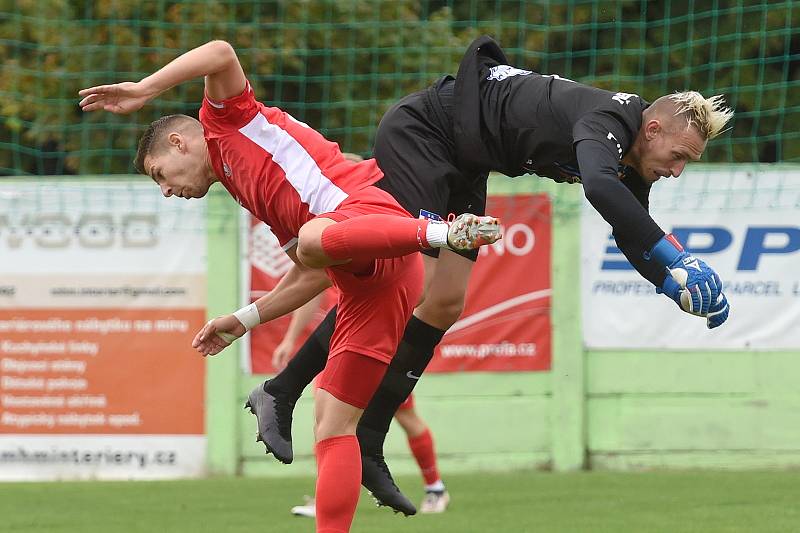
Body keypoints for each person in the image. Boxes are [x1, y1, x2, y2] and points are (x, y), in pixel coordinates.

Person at [248, 35, 734, 515]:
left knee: (444, 302)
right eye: (679, 157)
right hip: (423, 134)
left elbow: (627, 225)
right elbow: (601, 190)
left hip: (465, 162)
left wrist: (671, 285)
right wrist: (676, 255)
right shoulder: (609, 120)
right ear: (652, 129)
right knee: (407, 278)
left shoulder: (630, 156)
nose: (676, 171)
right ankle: (281, 389)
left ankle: (370, 440)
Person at [78, 40, 500, 533]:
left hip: (379, 218)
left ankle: (440, 233)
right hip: (378, 279)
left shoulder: (224, 121)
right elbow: (314, 270)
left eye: (160, 176)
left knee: (315, 237)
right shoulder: (245, 188)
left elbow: (220, 51)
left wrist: (143, 89)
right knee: (333, 425)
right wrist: (245, 319)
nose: (168, 190)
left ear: (177, 144)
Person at [271, 294, 450, 518]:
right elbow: (311, 290)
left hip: (377, 347)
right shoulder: (324, 261)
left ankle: (435, 488)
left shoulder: (382, 262)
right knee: (325, 422)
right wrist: (290, 339)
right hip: (338, 347)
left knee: (406, 417)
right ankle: (327, 496)